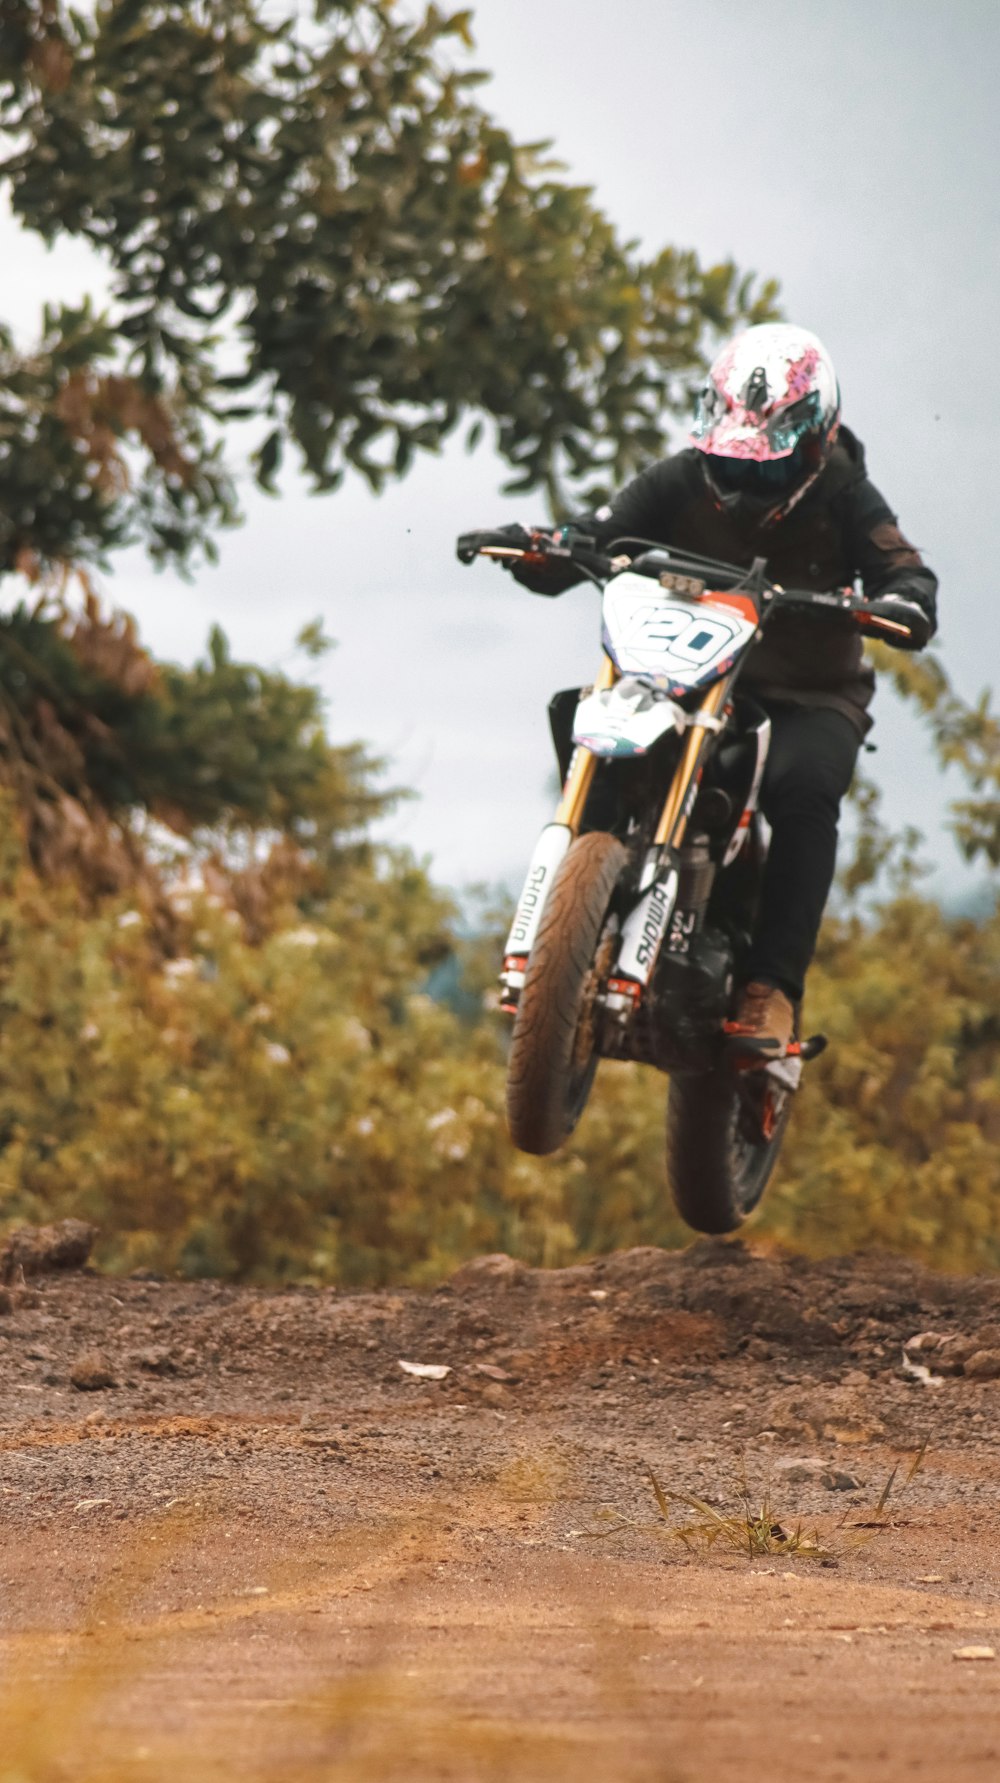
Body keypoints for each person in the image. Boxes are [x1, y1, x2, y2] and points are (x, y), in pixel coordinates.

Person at [488, 322, 938, 1056]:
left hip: (807, 693)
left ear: (815, 444)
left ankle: (771, 990)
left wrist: (905, 600)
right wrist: (543, 551)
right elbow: (599, 533)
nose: (742, 483)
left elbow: (904, 567)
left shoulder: (846, 494)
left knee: (804, 787)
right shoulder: (681, 476)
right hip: (686, 675)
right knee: (581, 715)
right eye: (732, 463)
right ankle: (578, 913)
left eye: (765, 469)